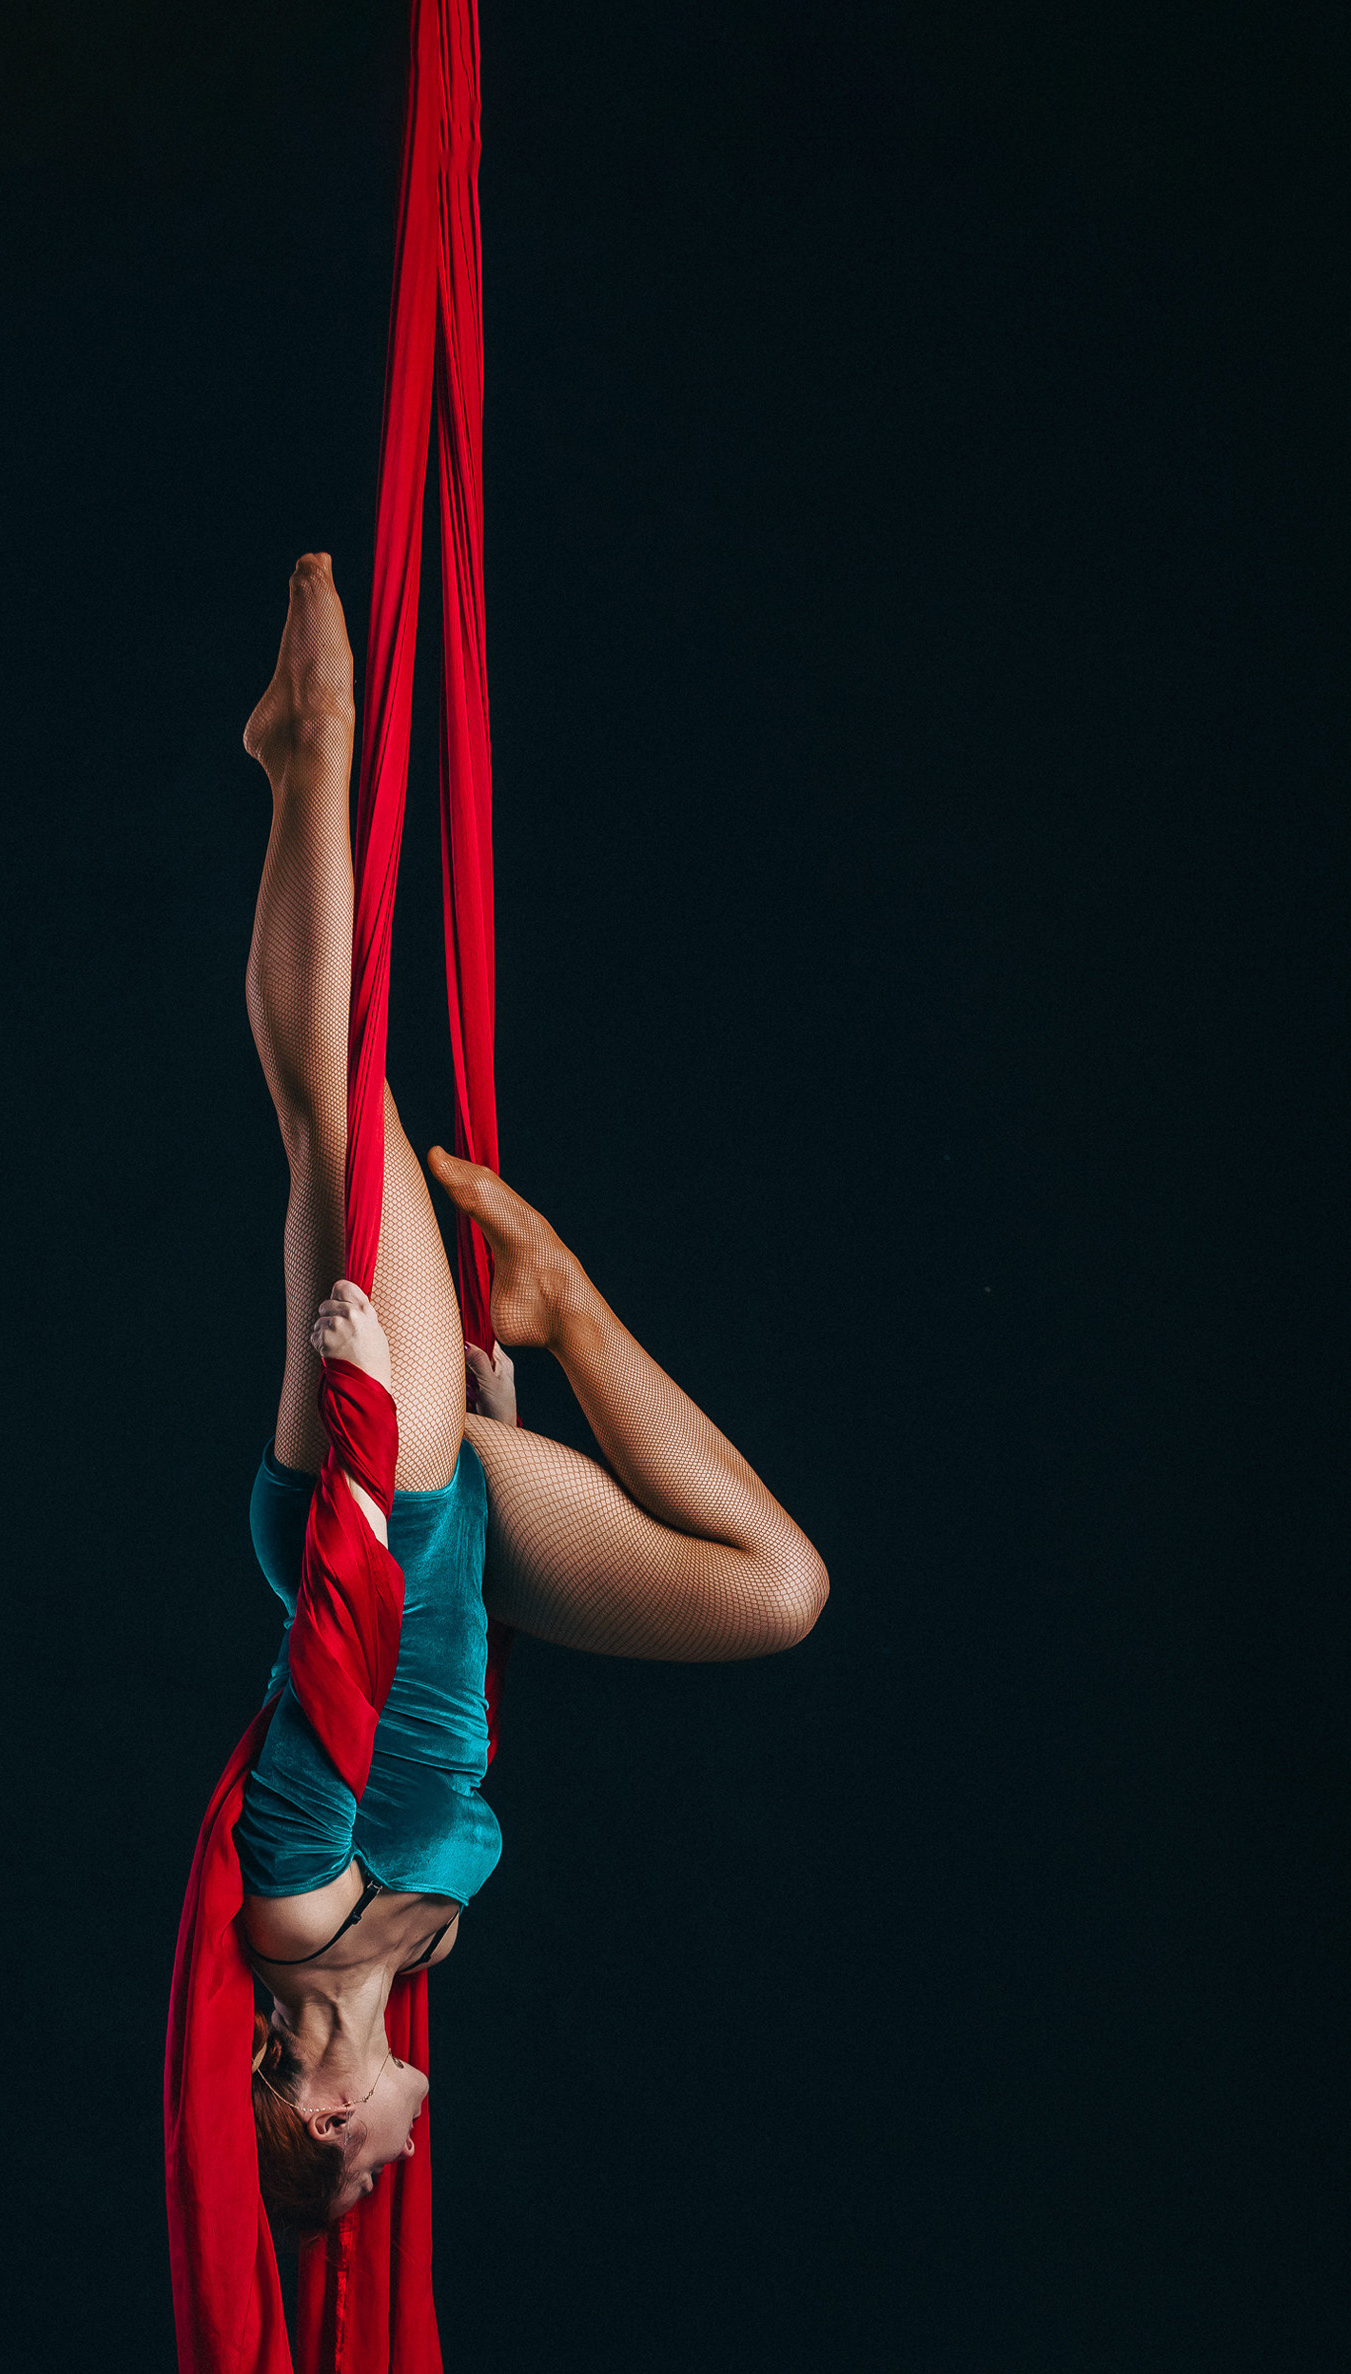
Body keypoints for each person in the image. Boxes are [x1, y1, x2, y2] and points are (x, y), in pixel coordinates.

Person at [236, 553, 827, 2231]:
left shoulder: (297, 1913)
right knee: (780, 1595)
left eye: (367, 2171)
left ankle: (305, 750)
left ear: (327, 2112)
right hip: (471, 1540)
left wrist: (369, 1423)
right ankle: (558, 1308)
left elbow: (330, 1665)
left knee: (337, 1099)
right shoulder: (407, 1953)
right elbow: (448, 1721)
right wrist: (495, 1423)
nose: (403, 2164)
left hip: (380, 1498)